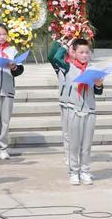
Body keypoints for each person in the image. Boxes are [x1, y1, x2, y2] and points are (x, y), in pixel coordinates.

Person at [50, 38, 104, 185]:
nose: (85, 55)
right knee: (74, 144)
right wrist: (66, 45)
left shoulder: (93, 69)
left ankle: (85, 171)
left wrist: (99, 84)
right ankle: (74, 172)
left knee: (86, 145)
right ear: (74, 53)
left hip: (90, 110)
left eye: (87, 52)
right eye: (81, 52)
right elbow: (54, 57)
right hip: (73, 109)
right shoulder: (67, 66)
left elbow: (98, 91)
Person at [0, 23, 24, 160]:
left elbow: (19, 70)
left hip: (8, 90)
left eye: (4, 34)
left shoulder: (12, 50)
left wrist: (14, 67)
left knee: (5, 121)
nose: (2, 37)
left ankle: (3, 148)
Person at [47, 38, 74, 166]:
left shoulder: (82, 66)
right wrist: (60, 42)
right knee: (67, 133)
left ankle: (77, 156)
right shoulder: (62, 65)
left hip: (79, 105)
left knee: (77, 134)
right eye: (71, 48)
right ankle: (69, 155)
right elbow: (52, 56)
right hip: (66, 103)